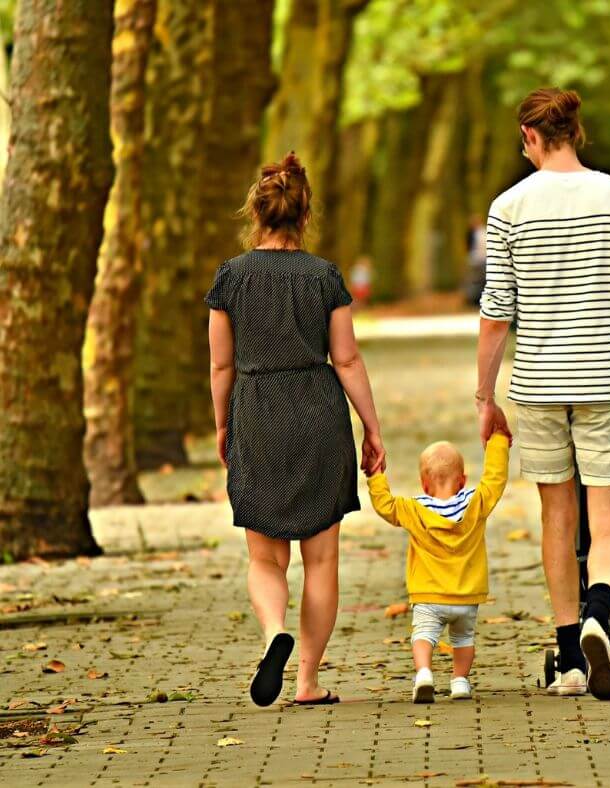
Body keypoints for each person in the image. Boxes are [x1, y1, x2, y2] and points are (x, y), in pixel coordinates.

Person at [475, 87, 610, 701]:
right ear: (577, 131)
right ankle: (601, 610)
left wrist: (483, 394)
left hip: (539, 383)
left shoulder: (508, 207)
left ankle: (571, 658)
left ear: (530, 138)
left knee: (556, 515)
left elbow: (498, 311)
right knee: (608, 518)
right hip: (605, 375)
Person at [205, 152, 386, 707]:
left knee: (265, 558)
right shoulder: (324, 276)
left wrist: (223, 424)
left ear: (255, 213)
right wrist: (372, 429)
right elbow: (348, 361)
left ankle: (272, 634)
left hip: (257, 412)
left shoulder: (231, 278)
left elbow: (220, 365)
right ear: (305, 215)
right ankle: (307, 681)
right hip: (317, 412)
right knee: (322, 561)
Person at [367, 435, 510, 703]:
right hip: (467, 597)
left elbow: (384, 505)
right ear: (462, 481)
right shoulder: (475, 503)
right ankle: (460, 682)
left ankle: (423, 674)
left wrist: (376, 475)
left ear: (424, 483)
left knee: (423, 635)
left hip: (428, 596)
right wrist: (498, 442)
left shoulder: (414, 509)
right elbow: (495, 480)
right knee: (464, 639)